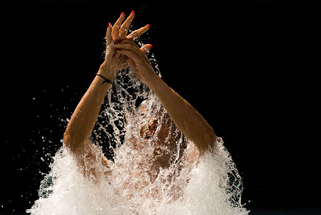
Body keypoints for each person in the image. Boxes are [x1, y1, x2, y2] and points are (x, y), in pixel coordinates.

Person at [63, 11, 217, 189]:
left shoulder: (188, 181)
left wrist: (151, 79)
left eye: (160, 120)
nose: (149, 124)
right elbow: (73, 144)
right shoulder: (114, 182)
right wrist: (106, 71)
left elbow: (208, 143)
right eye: (142, 117)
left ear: (178, 135)